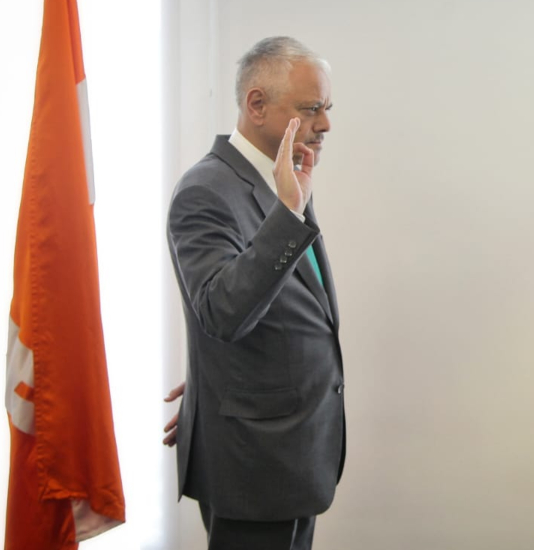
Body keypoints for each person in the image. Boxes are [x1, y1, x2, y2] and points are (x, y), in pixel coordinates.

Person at [163, 36, 344, 550]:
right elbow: (221, 312)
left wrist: (211, 379)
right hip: (255, 467)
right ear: (256, 104)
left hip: (292, 453)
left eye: (327, 108)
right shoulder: (206, 190)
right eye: (312, 109)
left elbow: (261, 309)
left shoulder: (278, 180)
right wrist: (288, 214)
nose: (326, 124)